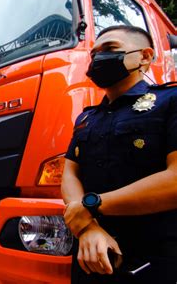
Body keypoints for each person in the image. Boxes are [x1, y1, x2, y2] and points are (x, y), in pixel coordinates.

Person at [61, 25, 177, 283]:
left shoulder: (171, 100)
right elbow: (70, 171)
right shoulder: (86, 117)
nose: (98, 58)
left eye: (110, 49)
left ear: (145, 56)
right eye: (94, 54)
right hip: (88, 255)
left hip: (153, 260)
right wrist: (87, 228)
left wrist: (91, 206)